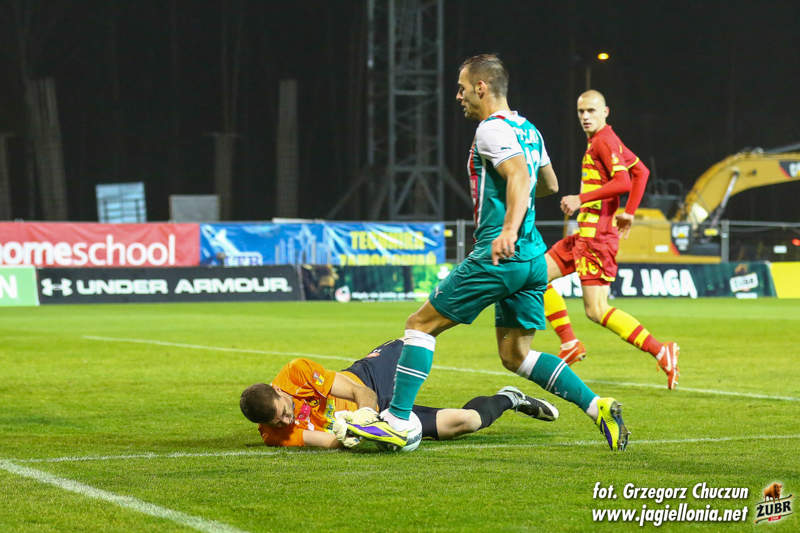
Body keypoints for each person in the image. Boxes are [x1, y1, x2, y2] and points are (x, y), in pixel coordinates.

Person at [342, 55, 630, 453]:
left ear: (481, 87)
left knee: (420, 325)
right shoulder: (529, 129)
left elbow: (521, 175)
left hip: (500, 257)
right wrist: (518, 209)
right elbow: (548, 183)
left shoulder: (490, 130)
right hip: (532, 259)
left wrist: (507, 228)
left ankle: (396, 422)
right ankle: (598, 406)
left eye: (462, 88)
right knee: (516, 355)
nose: (458, 96)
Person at [543, 90, 680, 389]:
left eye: (591, 110)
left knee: (597, 310)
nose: (585, 116)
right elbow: (640, 171)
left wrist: (580, 198)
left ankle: (661, 351)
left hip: (596, 240)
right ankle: (569, 344)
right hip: (583, 236)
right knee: (535, 276)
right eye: (581, 111)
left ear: (605, 112)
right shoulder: (606, 139)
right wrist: (629, 212)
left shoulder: (603, 141)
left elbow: (623, 181)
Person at [239, 339, 559, 449]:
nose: (287, 420)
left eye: (284, 411)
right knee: (468, 422)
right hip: (375, 418)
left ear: (278, 390)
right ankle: (511, 397)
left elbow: (360, 391)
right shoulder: (273, 434)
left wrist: (364, 415)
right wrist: (355, 434)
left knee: (411, 343)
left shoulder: (296, 372)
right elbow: (329, 442)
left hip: (367, 381)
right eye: (278, 421)